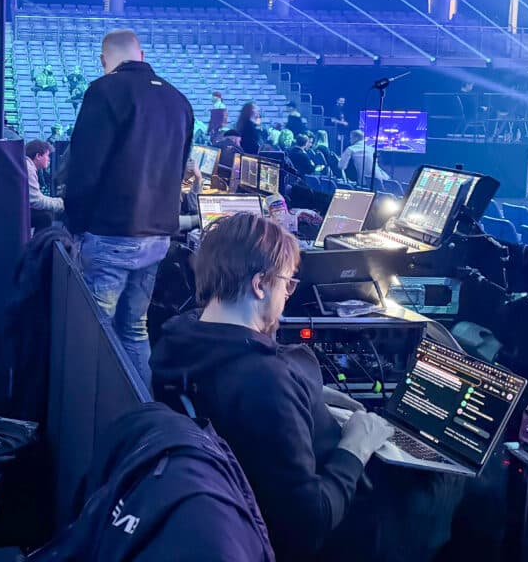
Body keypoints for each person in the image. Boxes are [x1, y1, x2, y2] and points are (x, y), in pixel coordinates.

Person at [149, 213, 395, 562]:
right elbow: (308, 525)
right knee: (453, 487)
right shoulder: (265, 382)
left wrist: (306, 394)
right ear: (260, 284)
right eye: (287, 283)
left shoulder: (178, 336)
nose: (288, 295)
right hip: (335, 526)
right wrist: (358, 444)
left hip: (227, 509)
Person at [64, 29, 193, 386]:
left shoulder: (104, 91)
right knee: (134, 329)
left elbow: (85, 166)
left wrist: (73, 224)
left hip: (110, 234)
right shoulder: (178, 99)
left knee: (93, 333)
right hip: (158, 237)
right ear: (142, 55)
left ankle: (89, 412)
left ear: (104, 60)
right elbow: (180, 169)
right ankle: (144, 410)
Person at [26, 140, 63, 231]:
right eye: (47, 155)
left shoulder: (27, 165)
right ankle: (40, 240)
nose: (49, 159)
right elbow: (36, 201)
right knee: (46, 216)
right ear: (38, 156)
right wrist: (60, 203)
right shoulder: (28, 169)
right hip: (13, 214)